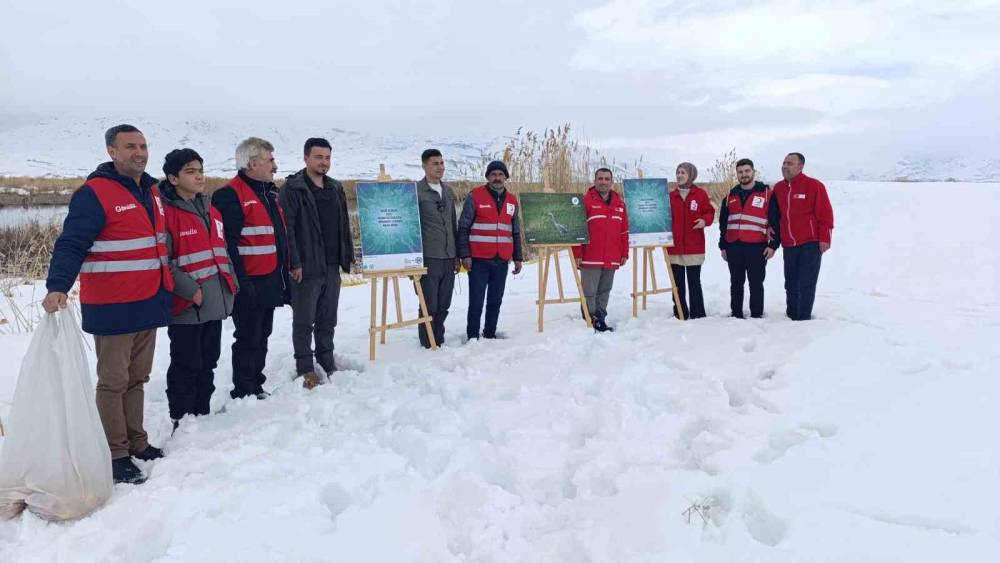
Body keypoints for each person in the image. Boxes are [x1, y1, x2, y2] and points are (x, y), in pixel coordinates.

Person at [42, 124, 172, 484]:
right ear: (111, 152)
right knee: (113, 382)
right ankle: (114, 454)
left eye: (143, 145)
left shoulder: (152, 191)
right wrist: (58, 286)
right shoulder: (94, 194)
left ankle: (137, 441)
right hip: (113, 304)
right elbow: (71, 243)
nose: (139, 152)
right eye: (130, 146)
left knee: (137, 378)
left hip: (148, 299)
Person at [159, 149, 236, 429]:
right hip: (187, 305)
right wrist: (191, 290)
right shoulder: (166, 214)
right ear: (173, 178)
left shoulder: (210, 209)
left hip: (214, 301)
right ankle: (182, 419)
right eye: (190, 172)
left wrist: (231, 283)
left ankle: (201, 414)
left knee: (208, 361)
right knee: (186, 363)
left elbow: (221, 251)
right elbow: (164, 261)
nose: (199, 177)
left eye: (200, 171)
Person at [211, 137, 289, 399]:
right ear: (253, 164)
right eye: (270, 160)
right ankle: (244, 389)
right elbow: (228, 245)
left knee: (263, 333)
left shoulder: (269, 193)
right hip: (248, 281)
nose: (275, 166)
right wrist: (241, 284)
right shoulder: (230, 195)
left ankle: (256, 383)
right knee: (248, 336)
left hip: (269, 278)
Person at [279, 138, 354, 389]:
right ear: (306, 157)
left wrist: (347, 255)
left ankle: (326, 360)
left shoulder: (335, 188)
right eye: (318, 157)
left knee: (327, 319)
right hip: (306, 267)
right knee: (304, 321)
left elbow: (343, 224)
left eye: (327, 158)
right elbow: (287, 229)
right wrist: (294, 262)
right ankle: (305, 368)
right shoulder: (293, 189)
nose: (324, 162)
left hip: (331, 266)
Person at [457, 160, 523, 340]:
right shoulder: (475, 196)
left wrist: (518, 257)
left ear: (506, 177)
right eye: (493, 174)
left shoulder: (512, 200)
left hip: (501, 260)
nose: (497, 178)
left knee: (495, 300)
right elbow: (463, 227)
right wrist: (465, 254)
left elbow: (515, 231)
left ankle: (490, 334)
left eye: (501, 174)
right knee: (476, 301)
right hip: (478, 260)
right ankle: (472, 336)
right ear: (487, 177)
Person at [770, 152, 834, 320]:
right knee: (790, 282)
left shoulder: (814, 186)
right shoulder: (778, 188)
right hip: (789, 243)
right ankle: (791, 315)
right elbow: (774, 215)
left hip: (810, 243)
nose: (785, 166)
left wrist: (825, 237)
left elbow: (825, 214)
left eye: (790, 163)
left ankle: (803, 318)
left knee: (806, 282)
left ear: (800, 166)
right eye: (784, 163)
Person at [718, 158, 780, 318]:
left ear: (753, 172)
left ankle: (756, 315)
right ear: (737, 174)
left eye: (747, 171)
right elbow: (723, 223)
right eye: (740, 172)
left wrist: (773, 245)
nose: (744, 174)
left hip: (757, 246)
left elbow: (776, 222)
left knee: (756, 282)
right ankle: (736, 314)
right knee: (736, 282)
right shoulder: (730, 196)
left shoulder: (767, 194)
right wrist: (723, 246)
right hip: (734, 246)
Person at [573, 167, 629, 332]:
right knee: (589, 291)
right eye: (600, 179)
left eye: (607, 179)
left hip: (611, 256)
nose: (603, 182)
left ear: (612, 182)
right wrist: (577, 253)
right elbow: (577, 229)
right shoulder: (586, 201)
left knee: (604, 290)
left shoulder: (620, 203)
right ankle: (590, 319)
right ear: (595, 180)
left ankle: (600, 317)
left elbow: (624, 231)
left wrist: (624, 252)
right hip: (591, 256)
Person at [414, 148, 459, 348]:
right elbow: (411, 227)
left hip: (448, 256)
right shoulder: (416, 192)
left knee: (444, 303)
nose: (440, 167)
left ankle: (438, 338)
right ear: (424, 166)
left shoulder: (448, 191)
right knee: (428, 303)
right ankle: (427, 342)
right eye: (435, 164)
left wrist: (457, 254)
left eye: (441, 163)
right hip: (429, 257)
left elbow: (453, 223)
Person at [668, 162, 714, 319]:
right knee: (677, 283)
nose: (679, 175)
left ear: (691, 175)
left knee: (694, 281)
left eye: (683, 172)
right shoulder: (671, 196)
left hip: (694, 245)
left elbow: (710, 212)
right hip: (675, 247)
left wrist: (704, 220)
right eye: (678, 172)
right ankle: (680, 313)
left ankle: (698, 313)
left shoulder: (700, 194)